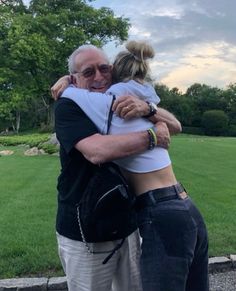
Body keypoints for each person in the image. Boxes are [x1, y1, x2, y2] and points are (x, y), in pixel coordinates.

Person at [54, 40, 209, 291]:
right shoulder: (122, 94)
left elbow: (176, 125)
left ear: (114, 68)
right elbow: (97, 151)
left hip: (152, 216)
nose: (99, 76)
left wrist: (148, 110)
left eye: (104, 68)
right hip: (99, 227)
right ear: (76, 76)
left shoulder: (118, 98)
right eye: (88, 72)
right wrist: (153, 136)